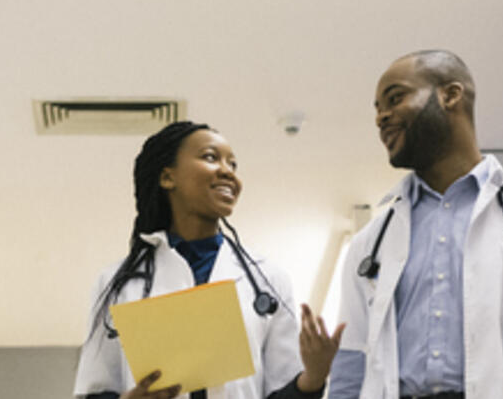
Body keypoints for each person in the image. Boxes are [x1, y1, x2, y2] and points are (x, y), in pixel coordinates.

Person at [326, 50, 503, 398]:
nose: (381, 118)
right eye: (377, 108)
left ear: (450, 95)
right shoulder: (369, 244)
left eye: (395, 98)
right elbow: (350, 373)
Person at [74, 121, 340, 399]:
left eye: (233, 164)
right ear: (167, 177)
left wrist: (313, 377)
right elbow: (94, 389)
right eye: (211, 157)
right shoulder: (118, 283)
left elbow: (282, 391)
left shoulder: (267, 279)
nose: (228, 172)